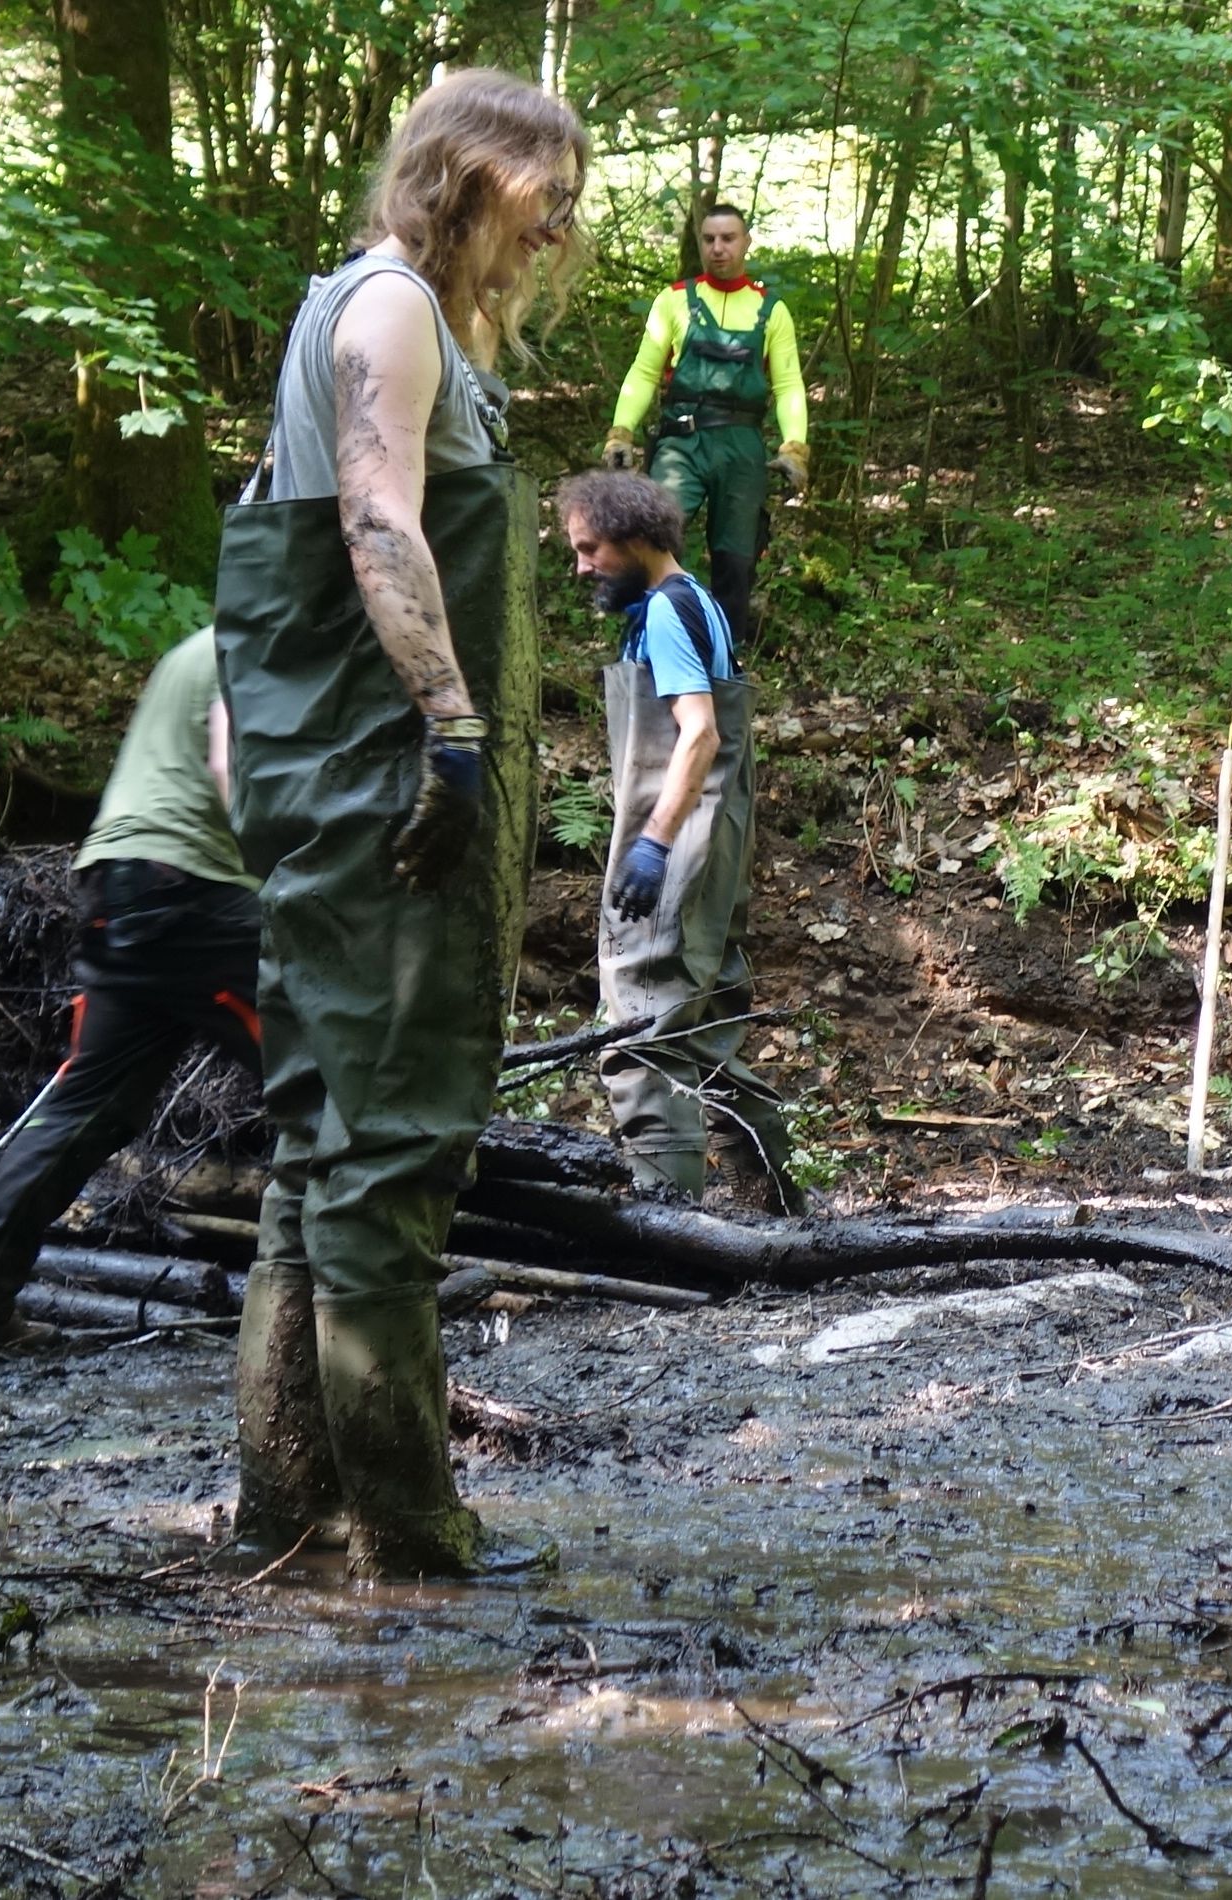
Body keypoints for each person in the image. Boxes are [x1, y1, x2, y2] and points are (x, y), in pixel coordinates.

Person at [208, 68, 582, 1583]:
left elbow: (255, 558)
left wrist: (259, 771)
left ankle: (284, 1512)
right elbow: (373, 520)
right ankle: (410, 1532)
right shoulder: (390, 315)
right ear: (470, 177)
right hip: (387, 790)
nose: (556, 236)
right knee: (385, 1159)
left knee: (317, 1160)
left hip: (333, 786)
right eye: (543, 201)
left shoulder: (342, 310)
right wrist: (454, 732)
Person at [0, 630, 261, 1354]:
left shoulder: (197, 645)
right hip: (194, 893)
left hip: (118, 884)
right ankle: (348, 1312)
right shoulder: (265, 638)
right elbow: (235, 769)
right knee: (327, 1080)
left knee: (89, 1107)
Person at [555, 469, 790, 1208]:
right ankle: (772, 1208)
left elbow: (699, 732)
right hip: (713, 842)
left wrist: (653, 846)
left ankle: (671, 1232)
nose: (582, 566)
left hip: (679, 845)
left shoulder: (666, 613)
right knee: (711, 1027)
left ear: (634, 537)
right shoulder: (703, 607)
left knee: (642, 1032)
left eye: (591, 549)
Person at [599, 202, 808, 646]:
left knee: (736, 560)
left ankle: (723, 666)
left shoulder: (772, 310)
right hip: (682, 441)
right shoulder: (674, 299)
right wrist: (622, 431)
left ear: (746, 242)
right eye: (709, 239)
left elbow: (789, 384)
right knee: (653, 542)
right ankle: (643, 650)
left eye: (728, 238)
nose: (718, 248)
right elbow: (643, 371)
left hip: (742, 447)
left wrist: (795, 447)